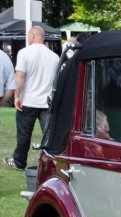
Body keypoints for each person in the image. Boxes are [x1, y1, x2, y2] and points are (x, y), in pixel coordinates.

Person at [5, 26, 59, 170]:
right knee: (49, 136)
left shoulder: (24, 53)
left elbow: (20, 76)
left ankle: (19, 162)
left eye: (28, 36)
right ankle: (52, 163)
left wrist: (16, 96)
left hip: (27, 100)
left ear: (34, 35)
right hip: (47, 102)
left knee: (24, 135)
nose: (28, 39)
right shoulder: (54, 57)